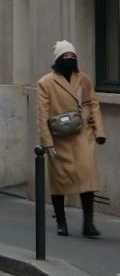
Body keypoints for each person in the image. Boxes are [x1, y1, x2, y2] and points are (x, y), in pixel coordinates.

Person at [37, 40, 105, 237]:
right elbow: (42, 114)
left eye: (72, 57)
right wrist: (47, 141)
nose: (69, 60)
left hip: (83, 135)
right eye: (65, 57)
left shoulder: (83, 80)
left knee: (88, 177)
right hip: (59, 136)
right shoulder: (46, 82)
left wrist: (99, 132)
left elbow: (93, 104)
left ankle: (88, 223)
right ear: (58, 59)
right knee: (59, 180)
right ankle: (61, 221)